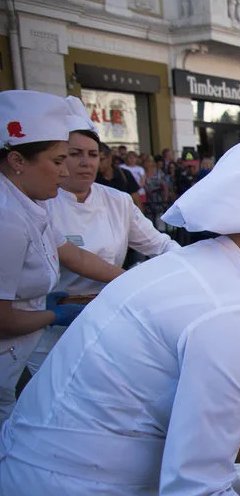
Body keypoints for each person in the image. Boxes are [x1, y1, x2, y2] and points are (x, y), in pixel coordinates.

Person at [0, 118, 240, 494]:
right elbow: (197, 483)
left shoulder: (184, 267)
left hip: (37, 466)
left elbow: (195, 429)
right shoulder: (230, 312)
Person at [27, 98, 180, 375]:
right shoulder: (41, 202)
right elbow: (77, 259)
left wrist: (187, 264)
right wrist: (134, 281)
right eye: (75, 154)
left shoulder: (117, 201)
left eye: (93, 154)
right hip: (53, 323)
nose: (86, 162)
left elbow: (158, 244)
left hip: (108, 315)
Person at [0, 91, 125, 422]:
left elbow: (75, 256)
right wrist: (53, 315)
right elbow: (3, 320)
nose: (65, 172)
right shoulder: (7, 219)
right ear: (17, 162)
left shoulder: (32, 206)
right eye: (58, 161)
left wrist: (131, 280)